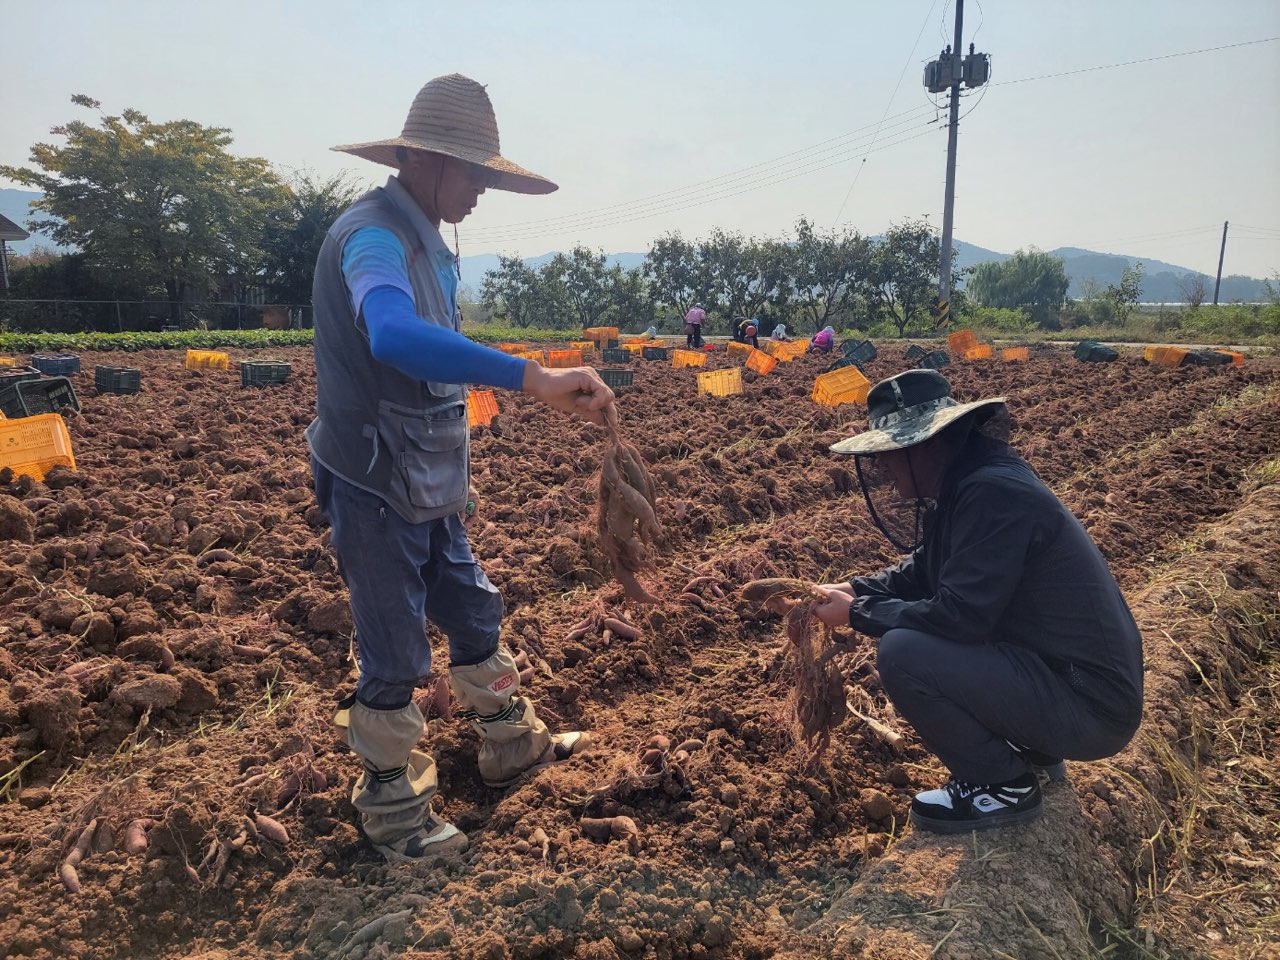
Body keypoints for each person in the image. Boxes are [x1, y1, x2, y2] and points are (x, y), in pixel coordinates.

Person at [308, 74, 611, 864]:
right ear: (421, 158)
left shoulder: (429, 241)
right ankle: (394, 814)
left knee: (474, 611)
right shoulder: (371, 235)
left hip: (431, 474)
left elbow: (430, 366)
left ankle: (509, 745)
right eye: (473, 172)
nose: (480, 189)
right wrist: (531, 376)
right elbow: (392, 337)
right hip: (376, 481)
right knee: (396, 650)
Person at [812, 370, 1143, 834]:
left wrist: (857, 614)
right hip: (1072, 684)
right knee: (918, 637)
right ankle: (1034, 748)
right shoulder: (976, 483)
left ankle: (1001, 785)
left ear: (928, 445)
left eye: (890, 453)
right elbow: (926, 568)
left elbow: (960, 617)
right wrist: (856, 589)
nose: (883, 468)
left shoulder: (992, 493)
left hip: (1091, 706)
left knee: (904, 653)